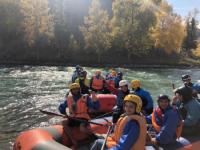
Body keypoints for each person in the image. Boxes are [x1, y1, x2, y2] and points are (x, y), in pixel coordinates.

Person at [59, 83, 100, 149]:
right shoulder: (69, 98)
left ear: (79, 89)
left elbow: (94, 106)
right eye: (74, 89)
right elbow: (61, 107)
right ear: (71, 91)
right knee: (64, 122)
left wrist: (94, 102)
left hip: (83, 117)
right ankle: (73, 140)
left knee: (82, 128)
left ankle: (93, 137)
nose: (75, 91)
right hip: (73, 117)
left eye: (77, 89)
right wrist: (65, 114)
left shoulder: (85, 97)